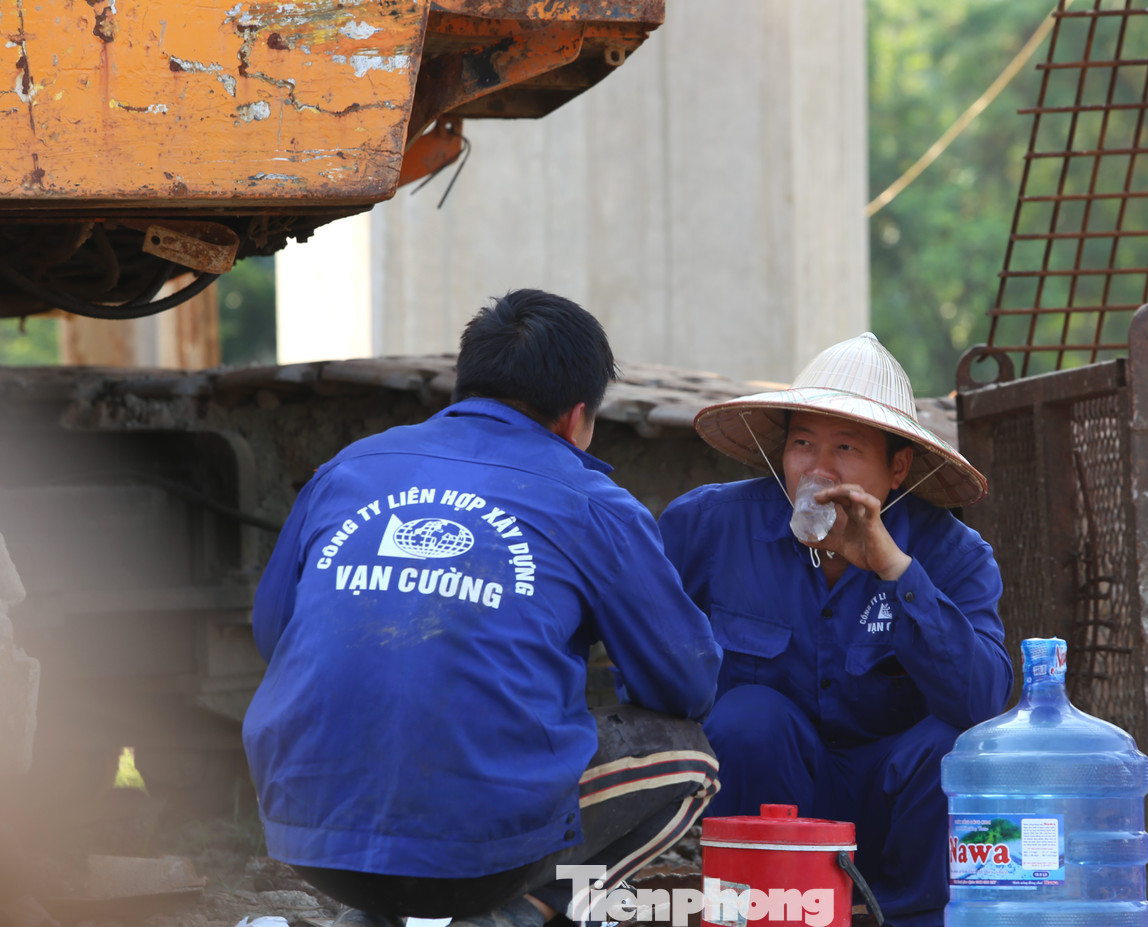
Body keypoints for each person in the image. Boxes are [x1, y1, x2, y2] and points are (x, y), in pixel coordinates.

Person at [243, 290, 722, 927]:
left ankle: (370, 917)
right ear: (576, 417)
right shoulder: (593, 503)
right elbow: (687, 686)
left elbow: (272, 634)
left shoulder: (348, 469)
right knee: (689, 757)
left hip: (308, 833)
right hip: (478, 858)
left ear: (463, 387)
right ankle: (517, 915)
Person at [658, 332, 1012, 927]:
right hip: (770, 813)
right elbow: (644, 655)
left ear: (898, 467)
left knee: (950, 744)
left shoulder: (955, 554)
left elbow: (983, 702)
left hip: (895, 817)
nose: (818, 469)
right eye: (802, 443)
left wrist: (894, 568)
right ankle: (762, 912)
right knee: (749, 717)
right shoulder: (710, 525)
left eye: (846, 447)